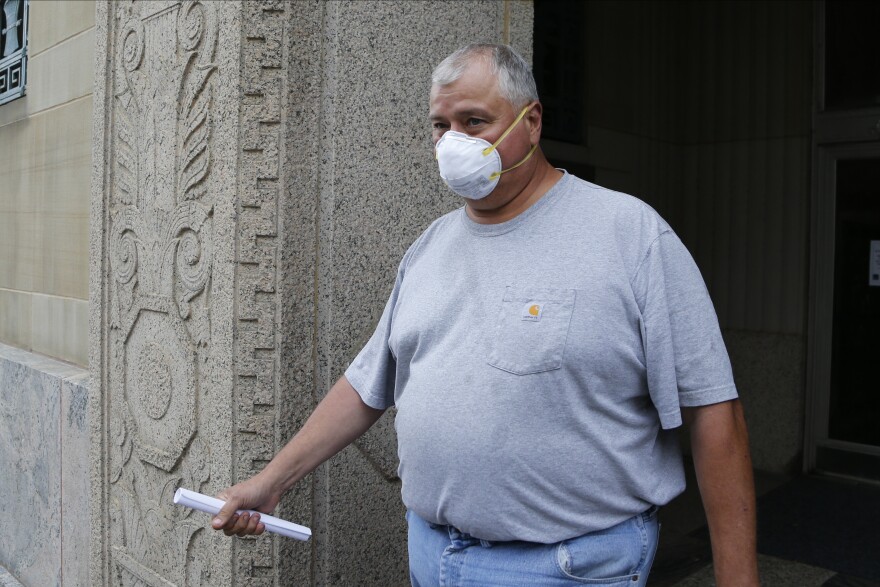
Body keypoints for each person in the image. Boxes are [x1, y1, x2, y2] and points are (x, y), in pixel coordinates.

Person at [212, 43, 759, 587]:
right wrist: (272, 482)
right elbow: (367, 385)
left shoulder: (630, 234)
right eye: (440, 126)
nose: (455, 143)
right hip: (432, 555)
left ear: (533, 121)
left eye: (475, 121)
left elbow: (714, 412)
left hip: (567, 568)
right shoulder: (431, 246)